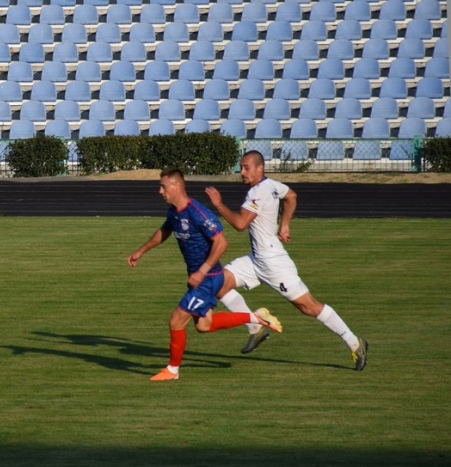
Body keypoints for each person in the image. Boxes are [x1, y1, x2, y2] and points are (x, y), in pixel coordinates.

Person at [204, 150, 368, 370]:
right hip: (256, 260)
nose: (241, 172)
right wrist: (285, 224)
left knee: (308, 307)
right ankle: (256, 327)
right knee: (217, 283)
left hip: (273, 263)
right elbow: (291, 195)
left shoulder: (258, 192)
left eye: (246, 167)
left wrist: (219, 204)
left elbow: (240, 224)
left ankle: (355, 342)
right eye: (241, 167)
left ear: (259, 168)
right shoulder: (272, 184)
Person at [127, 168, 282, 381]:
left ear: (177, 186)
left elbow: (221, 242)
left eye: (163, 186)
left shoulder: (198, 213)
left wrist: (201, 272)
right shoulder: (174, 212)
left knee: (176, 321)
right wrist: (140, 251)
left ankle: (172, 370)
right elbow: (164, 231)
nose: (159, 191)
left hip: (207, 278)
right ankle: (255, 317)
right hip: (203, 278)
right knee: (203, 325)